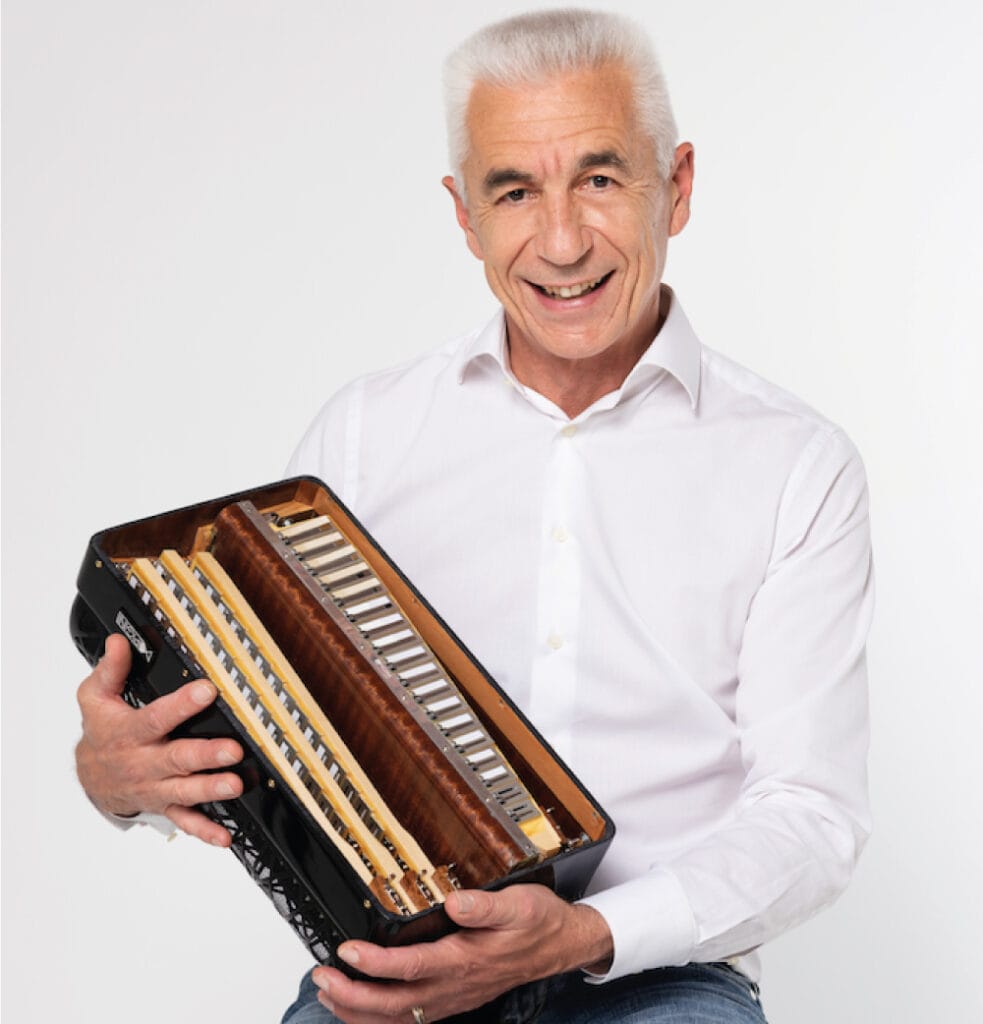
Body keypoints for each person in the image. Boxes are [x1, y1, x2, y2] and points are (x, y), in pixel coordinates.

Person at [74, 10, 873, 1024]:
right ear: (464, 216)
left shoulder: (796, 465)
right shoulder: (361, 437)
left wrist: (586, 932)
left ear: (675, 187)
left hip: (660, 976)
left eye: (599, 178)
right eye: (513, 191)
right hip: (403, 965)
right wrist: (122, 780)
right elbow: (275, 724)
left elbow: (810, 814)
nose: (561, 242)